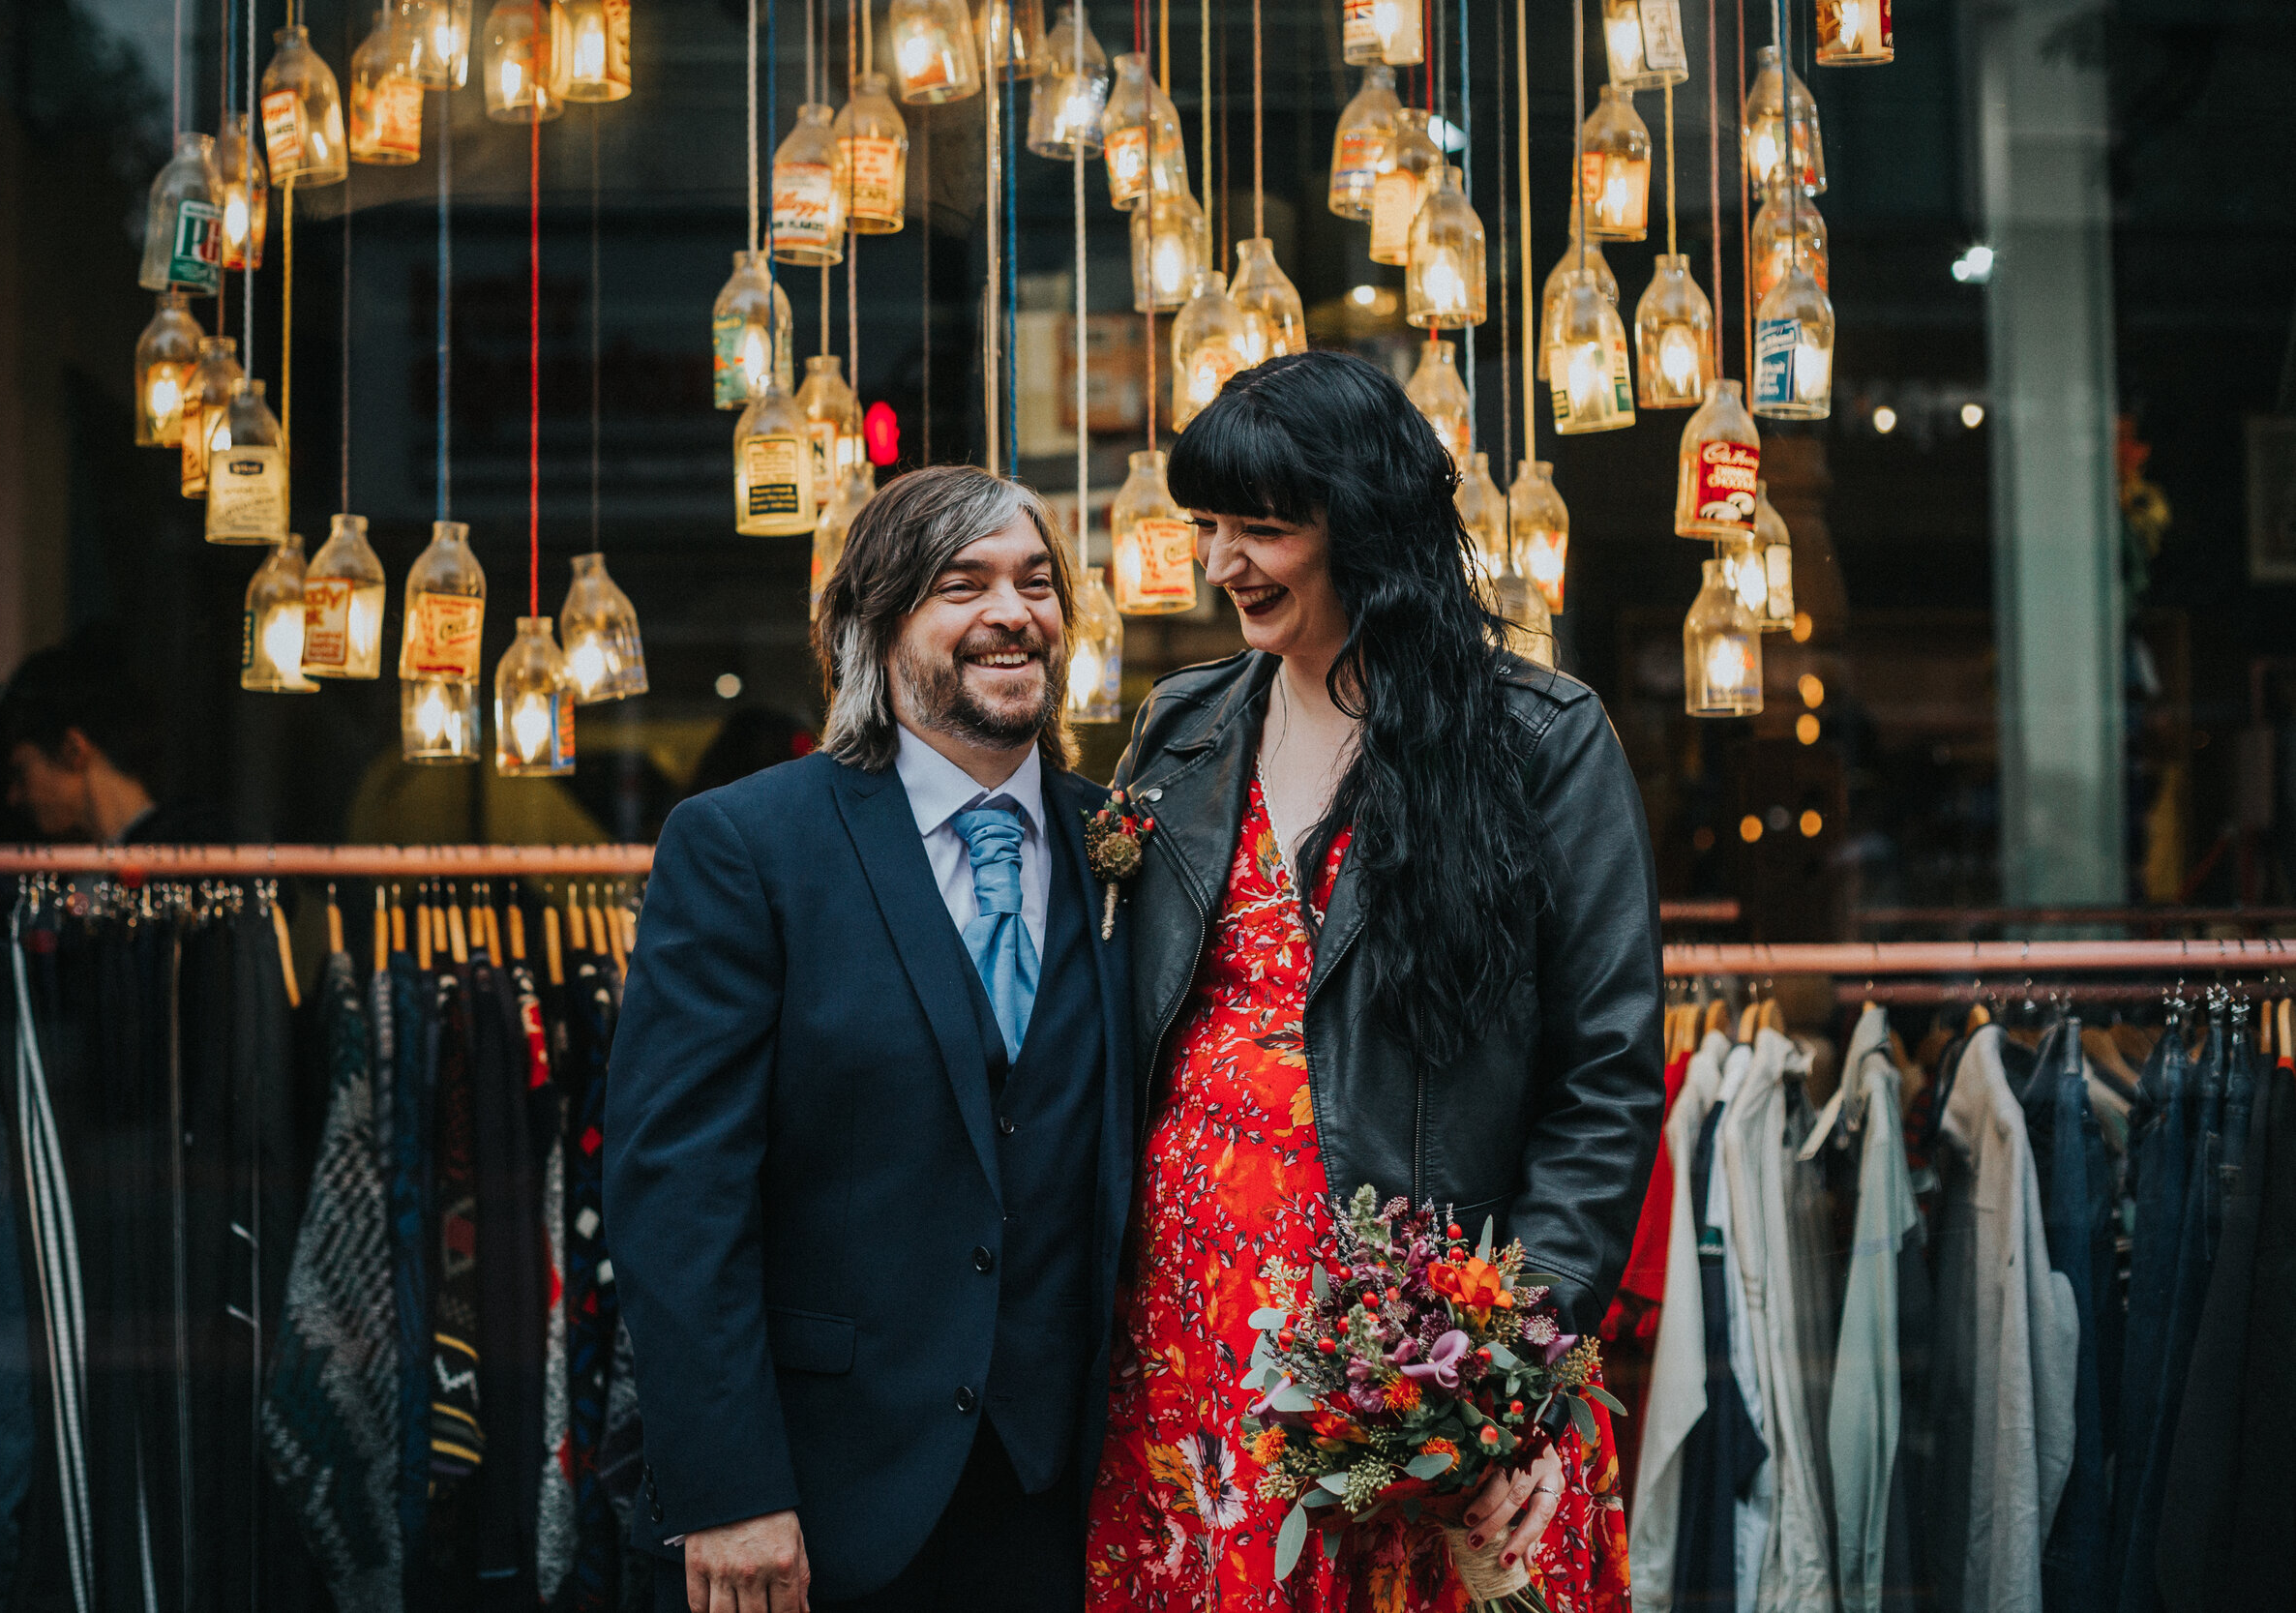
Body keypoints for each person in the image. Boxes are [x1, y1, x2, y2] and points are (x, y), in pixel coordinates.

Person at [1084, 350, 1664, 1612]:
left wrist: (1503, 1373)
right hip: (1177, 1334)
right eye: (1212, 527)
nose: (1226, 561)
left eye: (1266, 528)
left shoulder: (1539, 740)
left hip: (1401, 1360)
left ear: (1367, 526)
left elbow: (1606, 1085)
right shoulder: (1179, 728)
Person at [605, 465, 1135, 1613]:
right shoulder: (746, 846)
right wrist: (728, 1484)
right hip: (816, 1504)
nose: (1014, 612)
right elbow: (675, 1187)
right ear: (871, 628)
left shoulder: (1125, 850)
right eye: (964, 583)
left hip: (1066, 1502)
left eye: (1038, 584)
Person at [0, 631, 224, 844]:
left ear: (74, 749)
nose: (13, 796)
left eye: (21, 773)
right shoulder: (90, 869)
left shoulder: (184, 859)